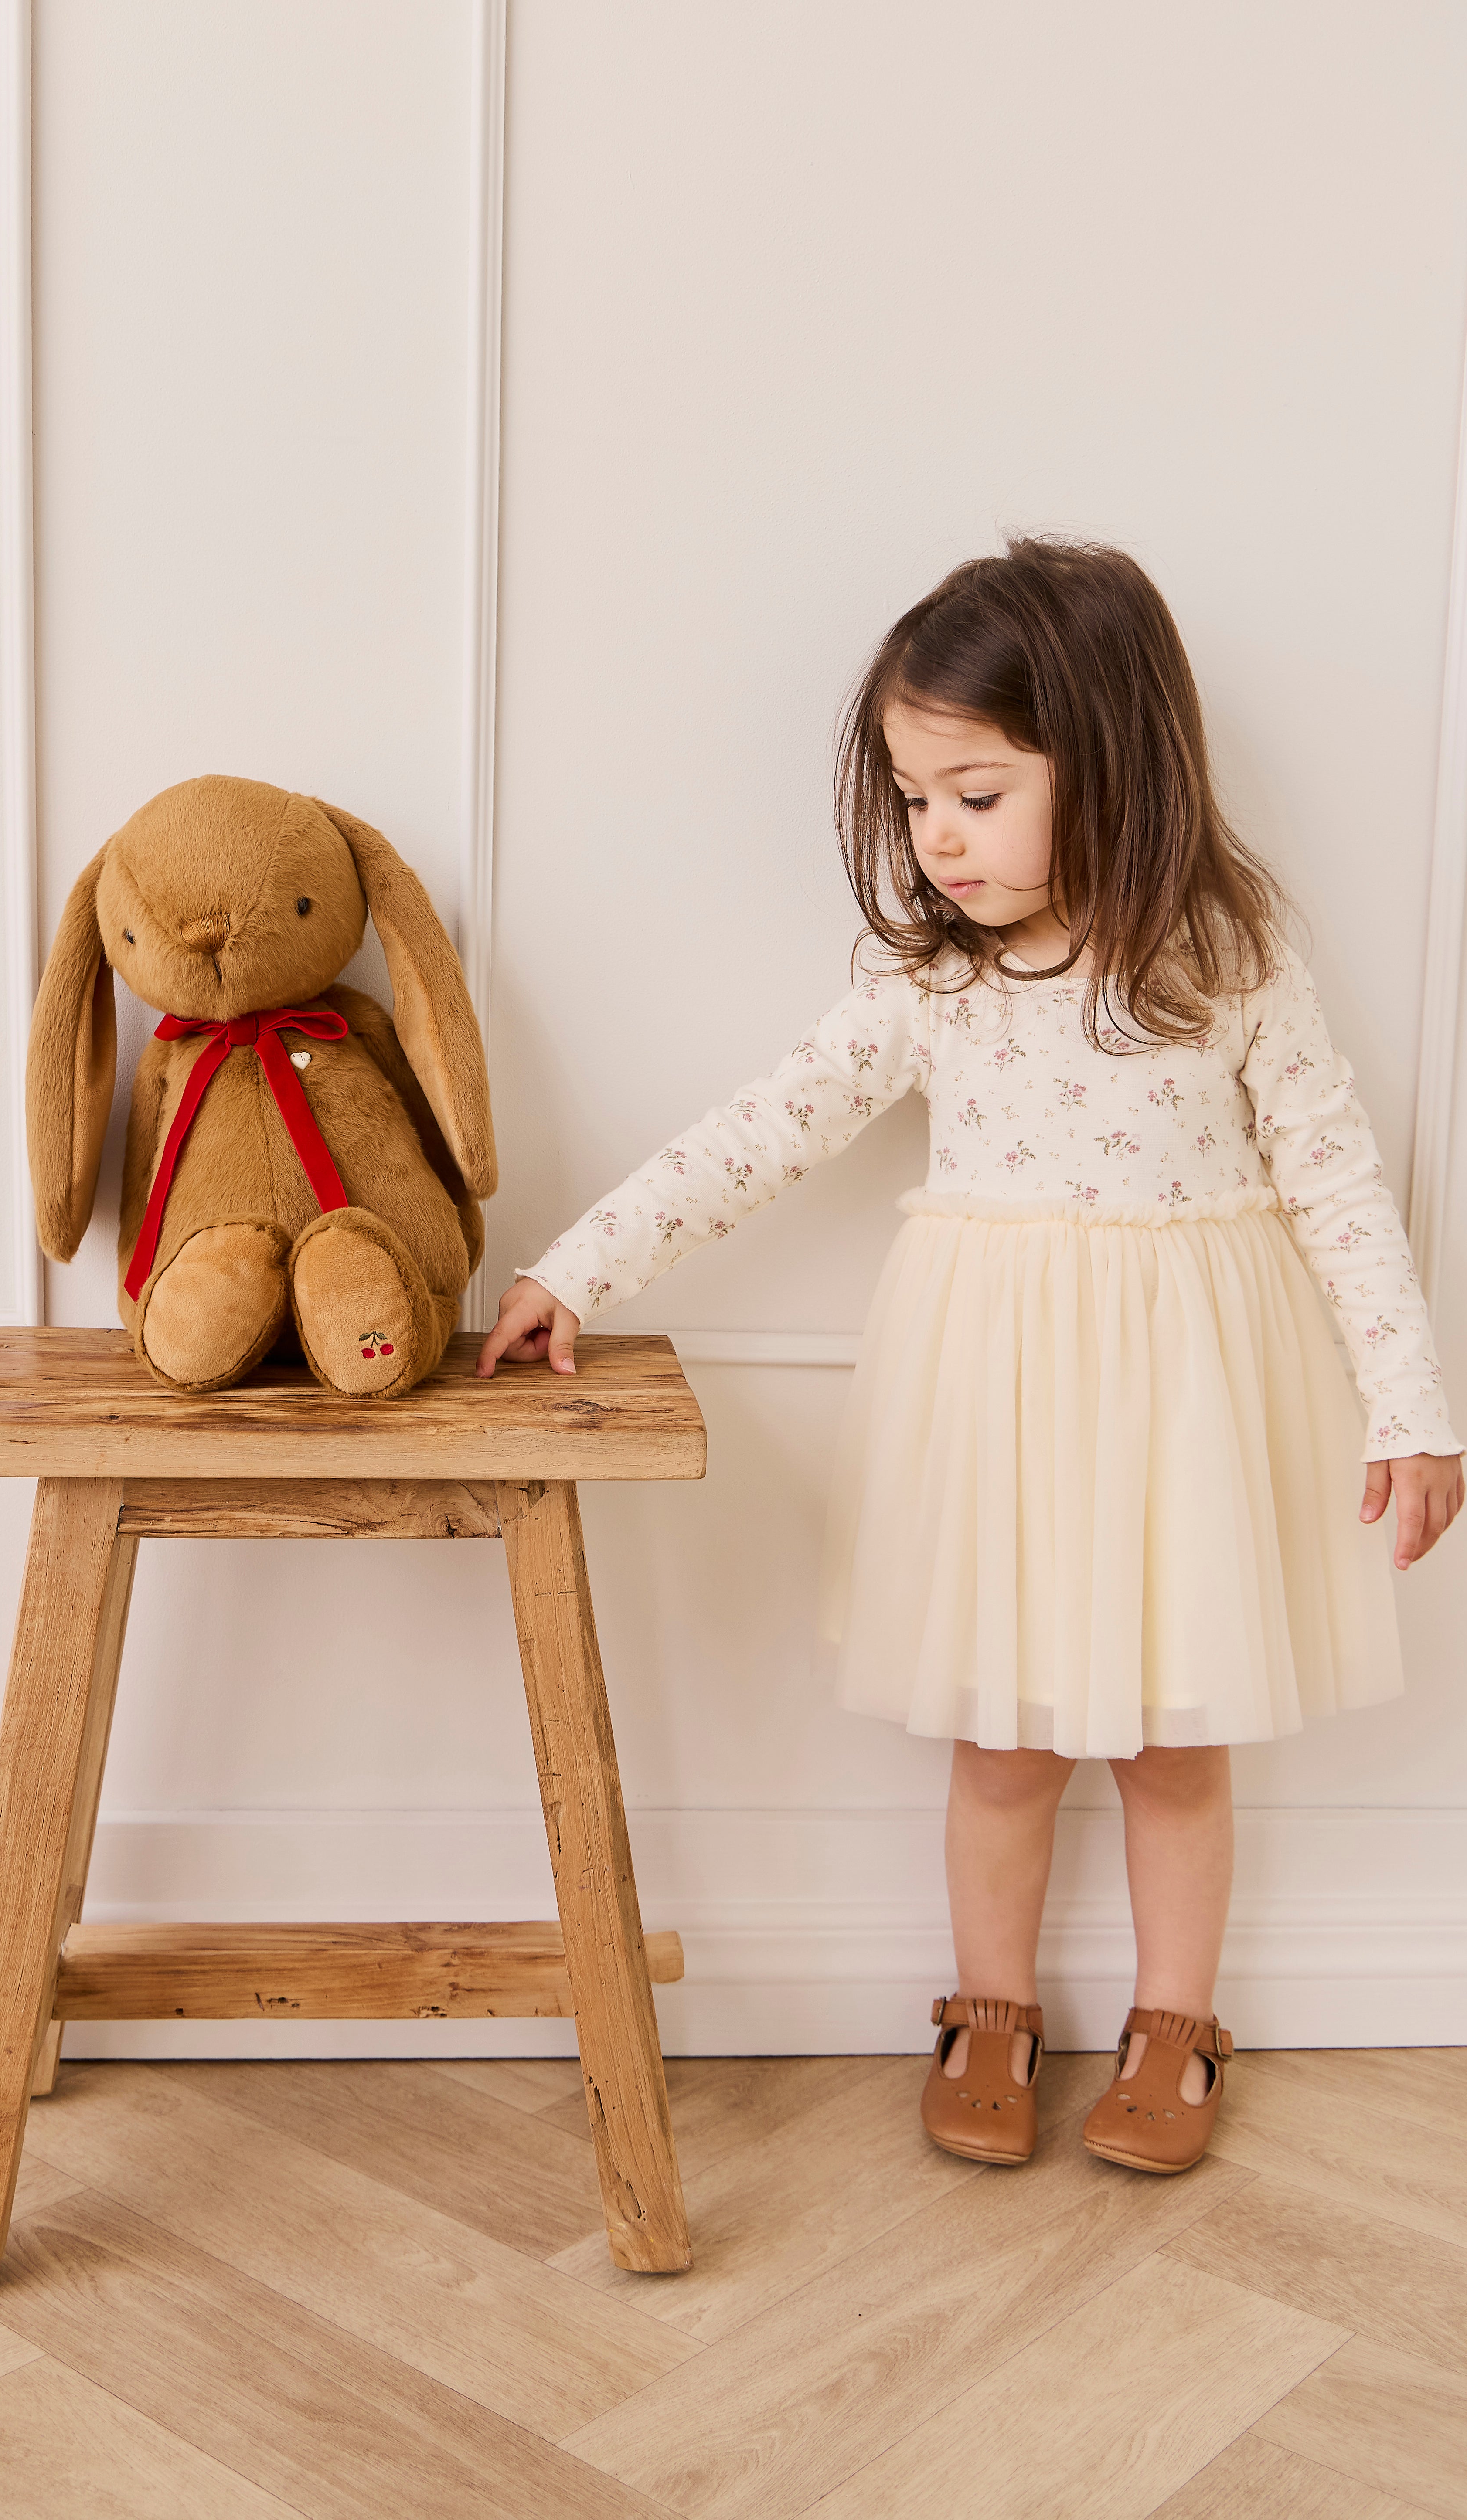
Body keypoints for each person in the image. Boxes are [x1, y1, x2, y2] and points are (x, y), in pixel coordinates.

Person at [475, 537, 1463, 2175]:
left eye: (978, 793)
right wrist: (582, 1264)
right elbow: (768, 1129)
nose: (937, 836)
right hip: (1001, 1408)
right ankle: (990, 2008)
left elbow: (1340, 1183)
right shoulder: (927, 977)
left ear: (1114, 767)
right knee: (1001, 1742)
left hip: (1189, 1407)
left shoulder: (1221, 959)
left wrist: (1412, 1408)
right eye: (915, 796)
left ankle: (1176, 2024)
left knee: (1169, 1739)